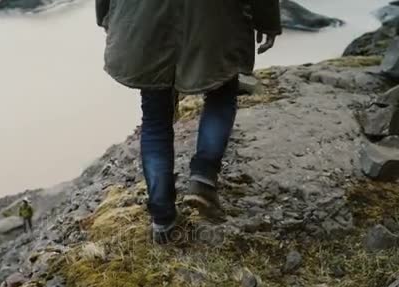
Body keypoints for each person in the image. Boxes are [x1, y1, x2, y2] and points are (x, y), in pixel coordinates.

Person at [96, 0, 281, 243]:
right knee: (222, 91)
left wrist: (106, 15)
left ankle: (163, 219)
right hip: (216, 19)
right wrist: (267, 20)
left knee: (155, 120)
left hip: (145, 18)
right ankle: (203, 177)